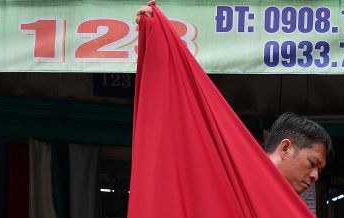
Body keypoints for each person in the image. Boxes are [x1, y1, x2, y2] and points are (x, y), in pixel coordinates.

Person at [136, 5, 332, 197]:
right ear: (285, 148)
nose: (315, 176)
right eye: (312, 163)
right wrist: (156, 38)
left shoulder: (293, 212)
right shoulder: (230, 174)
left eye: (319, 170)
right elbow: (178, 117)